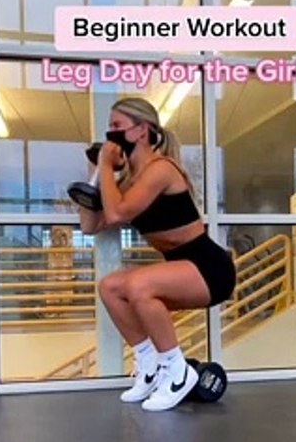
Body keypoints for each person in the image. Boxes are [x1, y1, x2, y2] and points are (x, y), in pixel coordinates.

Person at [78, 97, 236, 412]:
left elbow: (118, 213)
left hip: (209, 268)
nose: (111, 134)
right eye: (109, 127)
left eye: (117, 126)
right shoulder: (126, 183)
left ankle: (178, 372)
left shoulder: (161, 169)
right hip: (181, 267)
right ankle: (149, 366)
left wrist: (106, 167)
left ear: (142, 130)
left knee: (139, 286)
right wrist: (95, 173)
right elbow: (91, 225)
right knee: (110, 287)